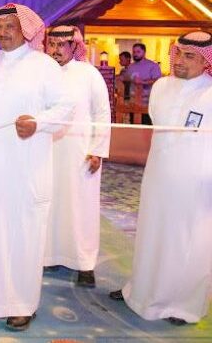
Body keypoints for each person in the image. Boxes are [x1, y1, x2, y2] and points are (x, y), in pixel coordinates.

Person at [0, 4, 74, 331]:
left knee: (20, 232)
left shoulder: (43, 65)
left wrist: (39, 122)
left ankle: (21, 303)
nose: (4, 32)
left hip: (23, 167)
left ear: (26, 29)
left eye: (11, 25)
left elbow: (66, 107)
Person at [109, 30, 212, 325]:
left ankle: (183, 305)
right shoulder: (161, 87)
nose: (179, 61)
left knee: (187, 240)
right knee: (151, 232)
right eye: (177, 54)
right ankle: (140, 292)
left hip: (195, 181)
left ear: (206, 61)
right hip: (158, 173)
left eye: (189, 56)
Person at [43, 26, 111, 287]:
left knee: (81, 206)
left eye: (62, 45)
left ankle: (84, 264)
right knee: (49, 202)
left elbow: (102, 113)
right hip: (46, 151)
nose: (55, 50)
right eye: (52, 44)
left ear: (74, 47)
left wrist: (97, 150)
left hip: (81, 153)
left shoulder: (89, 74)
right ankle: (49, 255)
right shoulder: (42, 73)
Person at [128, 43, 161, 124]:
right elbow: (127, 79)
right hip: (133, 103)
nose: (135, 54)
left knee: (146, 127)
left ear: (144, 52)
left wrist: (143, 82)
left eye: (138, 52)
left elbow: (158, 81)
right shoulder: (130, 66)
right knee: (133, 127)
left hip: (147, 104)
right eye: (134, 52)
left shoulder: (153, 66)